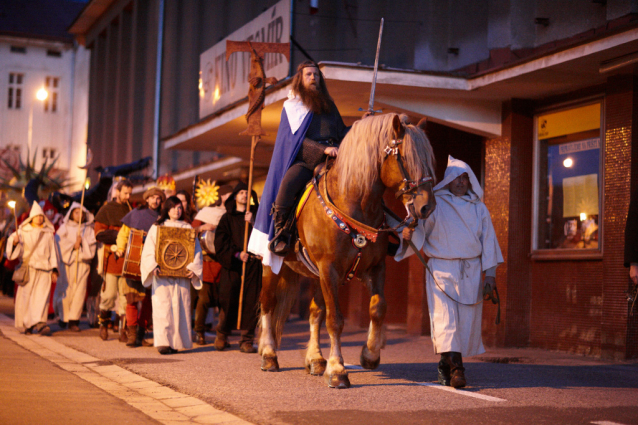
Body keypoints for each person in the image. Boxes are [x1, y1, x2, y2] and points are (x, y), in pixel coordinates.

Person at [397, 156, 503, 388]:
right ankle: (458, 370)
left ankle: (446, 365)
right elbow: (418, 226)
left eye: (465, 178)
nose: (461, 182)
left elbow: (489, 242)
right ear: (448, 180)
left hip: (471, 271)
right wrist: (407, 233)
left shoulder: (479, 208)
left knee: (464, 322)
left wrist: (491, 275)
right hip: (441, 268)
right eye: (457, 177)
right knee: (446, 320)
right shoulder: (436, 204)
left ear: (470, 181)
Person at [247, 61, 352, 267]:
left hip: (335, 158)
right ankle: (280, 233)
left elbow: (341, 132)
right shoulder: (293, 106)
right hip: (306, 159)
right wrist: (323, 150)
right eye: (309, 75)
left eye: (316, 75)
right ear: (300, 80)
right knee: (287, 186)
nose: (313, 78)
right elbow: (294, 141)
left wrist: (358, 125)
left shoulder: (329, 106)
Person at [140, 196, 203, 354]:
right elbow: (149, 250)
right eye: (174, 207)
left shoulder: (187, 228)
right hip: (162, 275)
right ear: (167, 209)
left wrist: (193, 268)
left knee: (181, 308)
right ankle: (163, 342)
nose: (177, 210)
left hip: (181, 276)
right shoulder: (157, 227)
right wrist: (152, 265)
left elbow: (196, 251)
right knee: (163, 308)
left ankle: (176, 342)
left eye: (180, 207)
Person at [214, 182, 261, 353]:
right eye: (240, 192)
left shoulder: (257, 216)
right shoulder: (227, 218)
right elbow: (220, 242)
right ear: (235, 196)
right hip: (233, 266)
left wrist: (254, 222)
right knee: (228, 299)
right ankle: (222, 335)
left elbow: (266, 236)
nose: (243, 195)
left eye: (246, 192)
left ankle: (247, 339)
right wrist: (236, 254)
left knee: (251, 301)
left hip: (253, 266)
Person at [114, 187, 165, 346]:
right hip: (134, 260)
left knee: (149, 300)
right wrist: (120, 248)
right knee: (132, 298)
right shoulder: (136, 214)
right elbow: (123, 233)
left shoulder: (163, 217)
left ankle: (141, 334)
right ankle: (131, 334)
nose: (155, 201)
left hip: (153, 263)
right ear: (147, 199)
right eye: (152, 197)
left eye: (158, 198)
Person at [6, 201, 58, 335]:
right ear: (32, 217)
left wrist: (54, 269)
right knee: (27, 297)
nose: (40, 218)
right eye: (37, 216)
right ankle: (27, 324)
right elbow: (12, 248)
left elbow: (52, 252)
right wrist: (15, 242)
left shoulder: (48, 232)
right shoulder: (23, 231)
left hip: (44, 269)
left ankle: (40, 323)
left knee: (41, 297)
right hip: (29, 269)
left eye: (41, 216)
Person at [191, 184, 233, 345]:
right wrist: (202, 227)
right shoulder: (206, 213)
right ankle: (199, 331)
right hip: (207, 261)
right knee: (204, 299)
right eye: (229, 194)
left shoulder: (231, 214)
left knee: (224, 300)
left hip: (225, 262)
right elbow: (190, 230)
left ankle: (222, 334)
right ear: (221, 196)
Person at [94, 179, 133, 341]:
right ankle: (103, 325)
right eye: (125, 193)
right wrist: (117, 237)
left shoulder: (131, 210)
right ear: (117, 192)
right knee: (109, 295)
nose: (128, 196)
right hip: (111, 259)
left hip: (126, 260)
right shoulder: (106, 209)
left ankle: (122, 330)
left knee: (124, 296)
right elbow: (99, 233)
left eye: (130, 193)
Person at [53, 203, 97, 332]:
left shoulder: (88, 229)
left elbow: (92, 245)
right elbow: (58, 243)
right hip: (67, 264)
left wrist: (82, 243)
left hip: (82, 264)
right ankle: (63, 317)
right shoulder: (64, 227)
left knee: (79, 292)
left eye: (82, 213)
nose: (79, 215)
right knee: (66, 291)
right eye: (76, 213)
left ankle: (73, 320)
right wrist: (73, 245)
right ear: (72, 214)